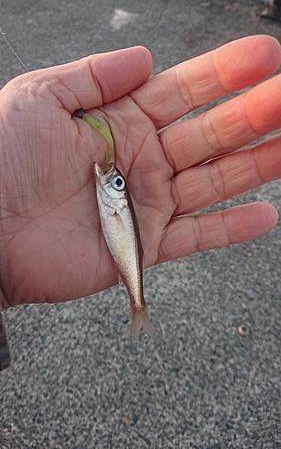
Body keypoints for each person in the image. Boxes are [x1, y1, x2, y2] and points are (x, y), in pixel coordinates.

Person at [1, 35, 281, 370]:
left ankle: (138, 303)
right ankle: (137, 303)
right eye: (117, 182)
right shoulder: (109, 196)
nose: (111, 181)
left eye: (116, 182)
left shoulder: (112, 199)